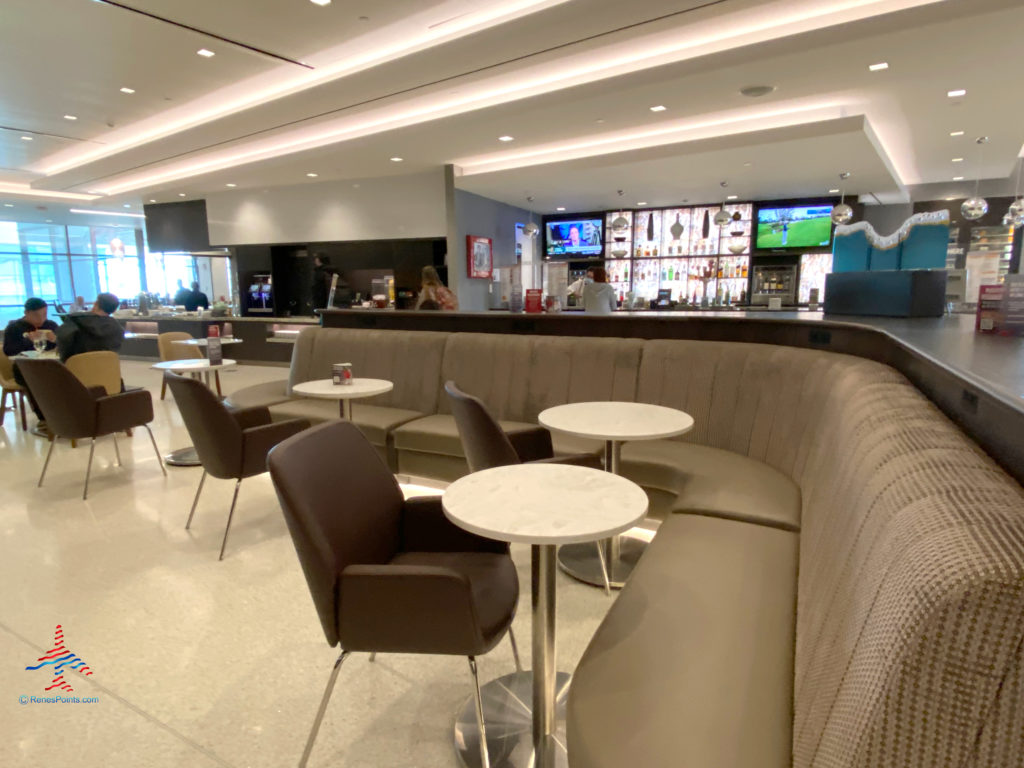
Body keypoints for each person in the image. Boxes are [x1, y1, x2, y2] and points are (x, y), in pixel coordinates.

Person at [4, 298, 59, 427]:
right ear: (26, 313)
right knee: (36, 380)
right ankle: (44, 418)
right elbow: (9, 351)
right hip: (24, 369)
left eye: (44, 315)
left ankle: (64, 414)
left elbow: (64, 346)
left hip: (50, 366)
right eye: (36, 315)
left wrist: (56, 339)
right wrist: (28, 341)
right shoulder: (14, 328)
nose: (41, 319)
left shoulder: (50, 326)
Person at [56, 293, 125, 363]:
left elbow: (63, 344)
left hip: (77, 368)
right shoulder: (118, 328)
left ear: (95, 304)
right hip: (105, 369)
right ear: (114, 310)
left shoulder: (75, 320)